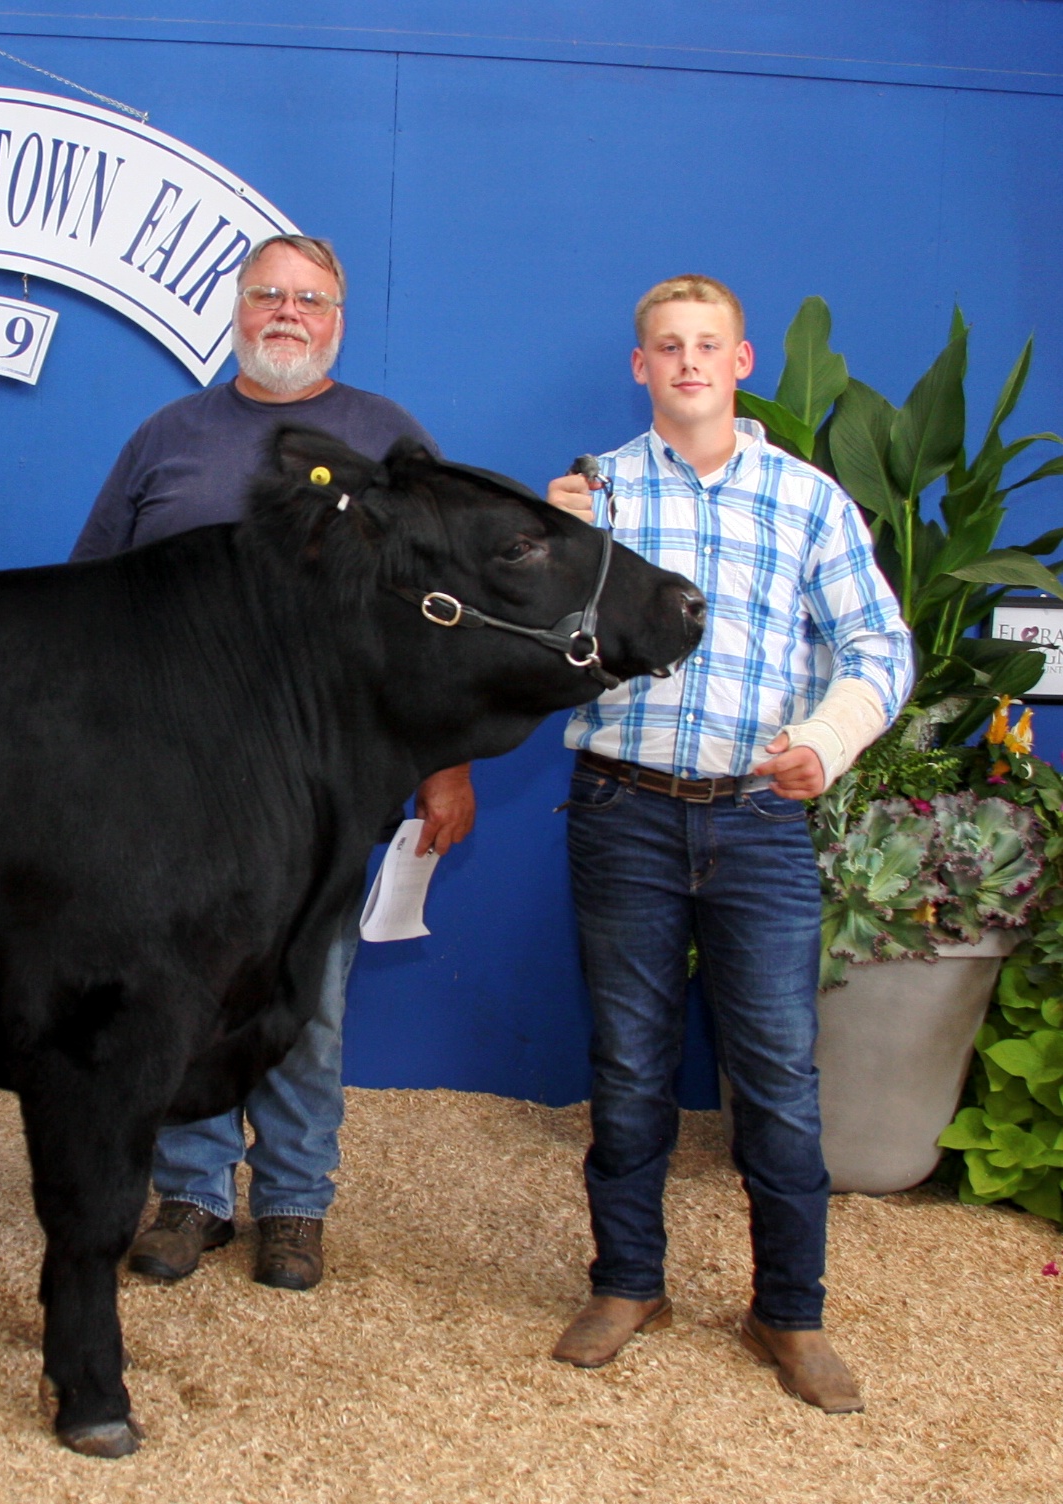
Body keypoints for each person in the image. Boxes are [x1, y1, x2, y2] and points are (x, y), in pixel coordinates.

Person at [72, 233, 474, 1292]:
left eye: (309, 298)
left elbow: (439, 620)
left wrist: (444, 767)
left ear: (337, 319)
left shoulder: (388, 439)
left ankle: (294, 1202)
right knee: (184, 994)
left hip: (323, 787)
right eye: (268, 295)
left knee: (312, 997)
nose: (287, 312)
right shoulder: (168, 436)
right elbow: (90, 598)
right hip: (177, 788)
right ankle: (192, 1194)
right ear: (238, 310)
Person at [542, 275, 911, 1412]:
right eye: (668, 346)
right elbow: (539, 651)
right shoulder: (594, 494)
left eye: (708, 344)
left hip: (757, 820)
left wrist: (827, 741)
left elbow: (880, 647)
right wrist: (553, 553)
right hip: (623, 812)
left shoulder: (807, 501)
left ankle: (788, 1312)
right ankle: (627, 1284)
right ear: (640, 366)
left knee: (780, 1079)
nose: (689, 362)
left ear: (742, 362)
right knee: (628, 1065)